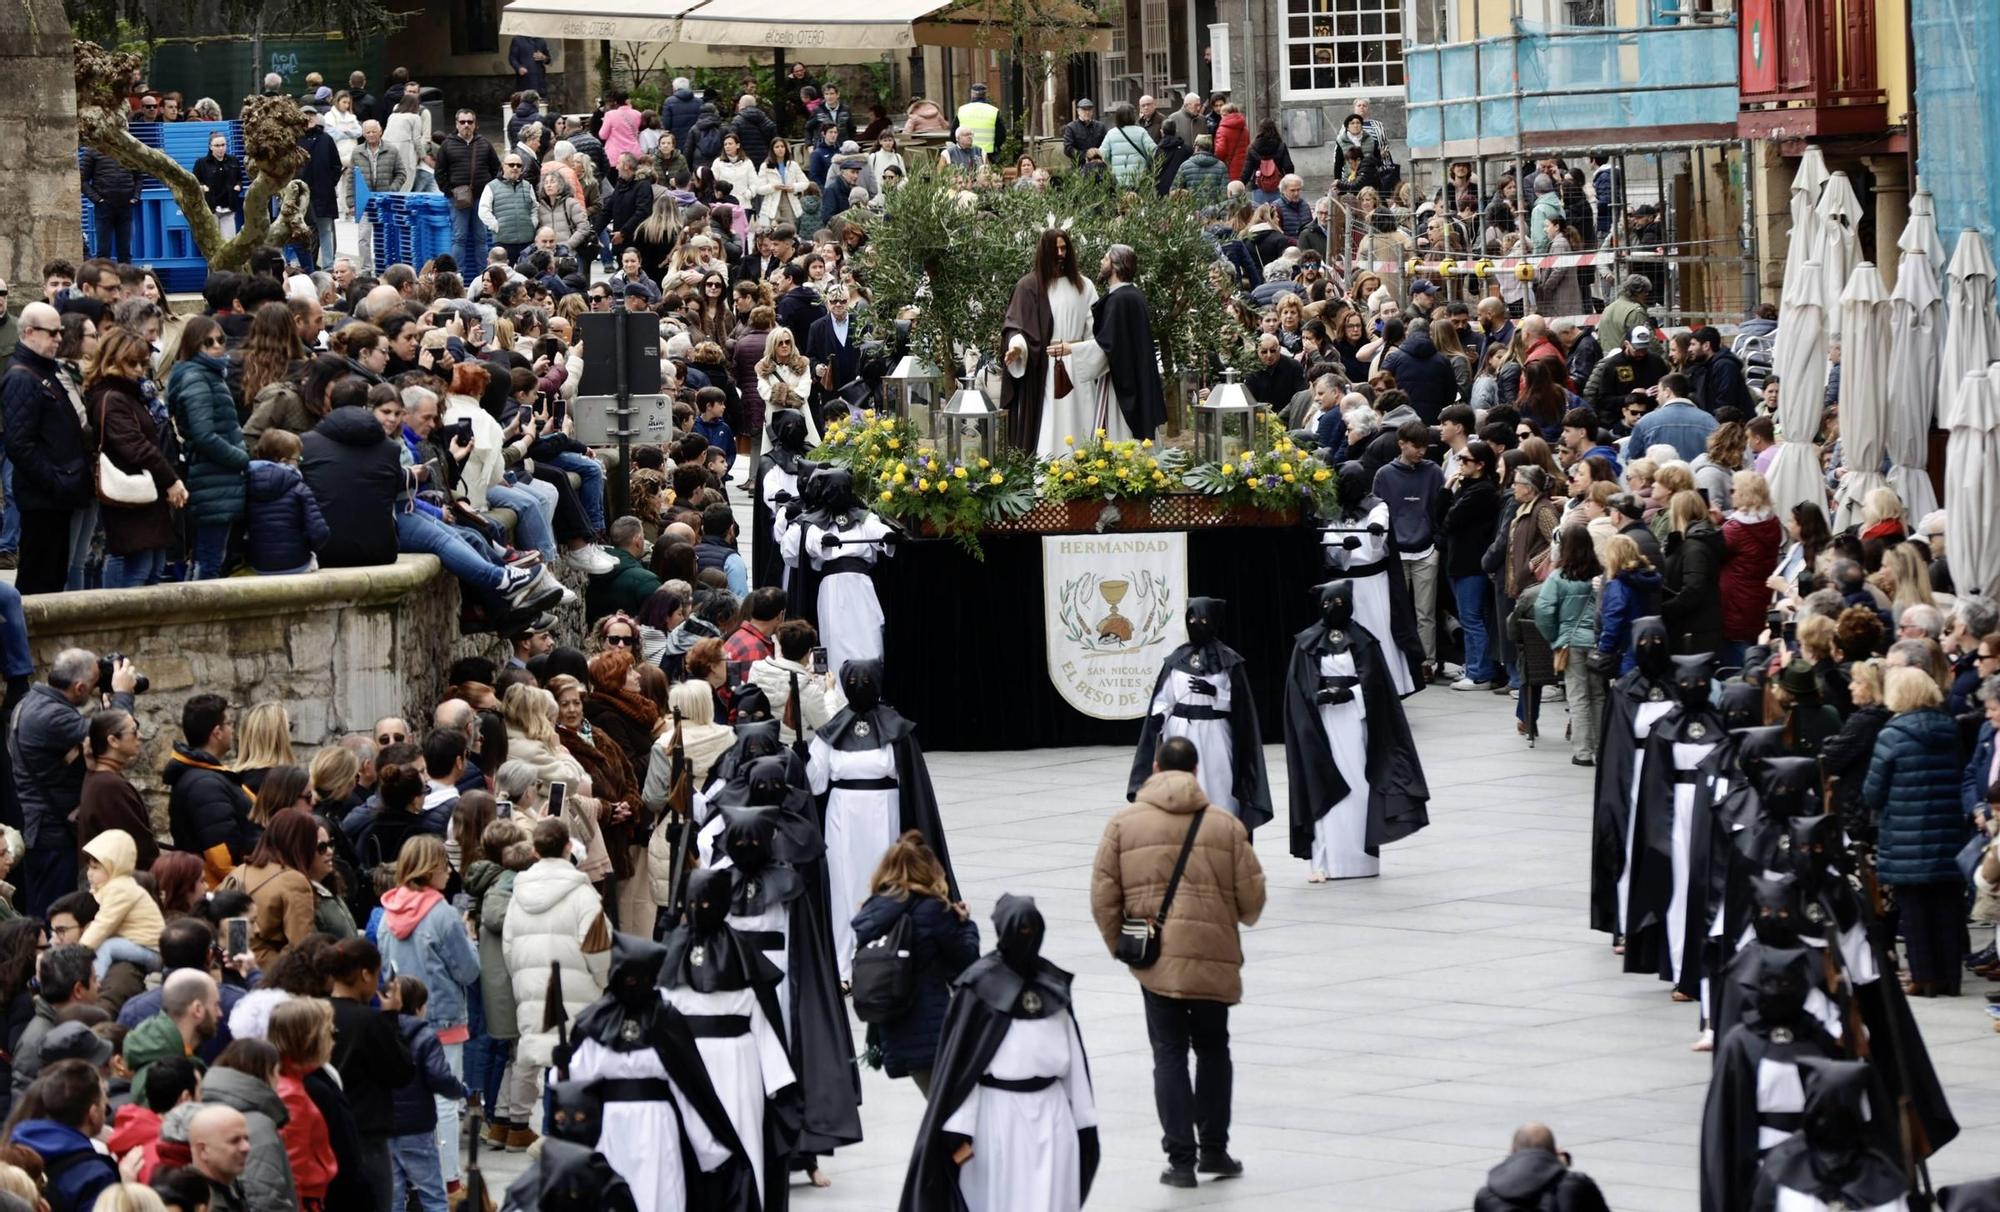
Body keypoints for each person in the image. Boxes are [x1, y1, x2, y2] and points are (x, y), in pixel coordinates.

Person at [900, 894, 1097, 1211]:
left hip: (1053, 1116)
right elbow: (963, 1068)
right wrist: (958, 1128)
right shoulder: (978, 988)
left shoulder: (1053, 986)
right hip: (996, 1120)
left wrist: (1084, 1121)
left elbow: (1075, 1066)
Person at [561, 932, 745, 1212]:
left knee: (658, 1194)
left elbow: (689, 1089)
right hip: (609, 1127)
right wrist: (561, 1065)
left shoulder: (667, 1020)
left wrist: (708, 1146)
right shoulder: (594, 1021)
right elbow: (576, 1081)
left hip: (659, 1128)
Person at [656, 867, 796, 1210]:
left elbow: (762, 1018)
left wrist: (776, 1079)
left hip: (728, 1061)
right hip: (699, 1062)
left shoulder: (737, 950)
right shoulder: (688, 949)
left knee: (744, 1139)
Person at [807, 659, 956, 981]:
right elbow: (815, 782)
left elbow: (911, 784)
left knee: (888, 881)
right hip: (841, 817)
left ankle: (888, 958)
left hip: (884, 813)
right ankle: (845, 967)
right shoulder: (830, 732)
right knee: (844, 887)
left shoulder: (896, 729)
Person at [1282, 581, 1431, 881]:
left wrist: (1352, 695)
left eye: (1339, 602)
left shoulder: (1364, 642)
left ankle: (1361, 860)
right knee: (1323, 785)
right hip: (1322, 726)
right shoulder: (1307, 643)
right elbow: (1297, 690)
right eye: (1328, 603)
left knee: (1360, 787)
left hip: (1355, 724)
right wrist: (1318, 697)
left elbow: (1379, 689)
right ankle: (1323, 862)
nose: (1333, 608)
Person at [375, 835, 480, 1189]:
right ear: (429, 868)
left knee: (405, 1098)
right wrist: (468, 938)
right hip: (443, 1018)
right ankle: (449, 1179)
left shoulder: (387, 912)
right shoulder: (444, 915)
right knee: (446, 1099)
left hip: (400, 1019)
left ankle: (410, 1181)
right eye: (444, 865)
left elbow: (385, 974)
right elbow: (468, 971)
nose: (450, 872)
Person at [1864, 666, 1967, 996]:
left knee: (1915, 911)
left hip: (1907, 836)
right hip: (1948, 830)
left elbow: (1873, 792)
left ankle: (1924, 977)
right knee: (1948, 908)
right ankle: (1951, 977)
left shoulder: (1891, 735)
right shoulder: (1951, 730)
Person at [851, 831, 979, 1095]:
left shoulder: (873, 913)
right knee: (954, 1119)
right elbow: (966, 964)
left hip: (895, 1032)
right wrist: (965, 924)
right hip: (934, 1033)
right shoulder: (932, 910)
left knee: (941, 1113)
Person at [1127, 598, 1272, 832]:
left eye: (1203, 620)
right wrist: (1159, 716)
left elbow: (1241, 705)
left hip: (1214, 733)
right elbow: (1166, 697)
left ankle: (1221, 830)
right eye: (1191, 619)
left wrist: (1214, 692)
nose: (1196, 624)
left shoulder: (1228, 660)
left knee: (1216, 783)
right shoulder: (1177, 659)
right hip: (1180, 732)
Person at [11, 649, 135, 916]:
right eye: (92, 686)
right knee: (55, 913)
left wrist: (104, 711)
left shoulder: (31, 701)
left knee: (48, 909)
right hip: (53, 834)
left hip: (42, 828)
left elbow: (92, 735)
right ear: (78, 687)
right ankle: (46, 958)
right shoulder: (53, 716)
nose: (93, 690)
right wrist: (123, 694)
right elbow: (116, 737)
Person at [501, 817, 612, 1079]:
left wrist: (522, 979)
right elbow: (598, 949)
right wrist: (603, 982)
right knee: (570, 1070)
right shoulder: (583, 895)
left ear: (535, 851)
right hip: (579, 996)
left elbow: (508, 948)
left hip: (531, 990)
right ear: (567, 847)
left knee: (548, 1063)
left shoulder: (519, 895)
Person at [85, 327, 185, 587]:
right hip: (129, 490)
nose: (140, 369)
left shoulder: (128, 394)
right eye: (132, 363)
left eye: (142, 363)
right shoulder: (113, 397)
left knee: (151, 567)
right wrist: (170, 479)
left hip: (143, 489)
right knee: (137, 568)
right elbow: (135, 446)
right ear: (112, 361)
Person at [3, 302, 91, 594]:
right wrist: (56, 481)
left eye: (60, 333)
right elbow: (20, 443)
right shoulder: (21, 377)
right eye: (52, 333)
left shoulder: (43, 370)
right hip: (43, 498)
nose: (58, 339)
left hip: (55, 496)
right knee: (39, 582)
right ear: (30, 332)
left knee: (54, 577)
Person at [1002, 229, 1112, 459]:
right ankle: (1049, 468)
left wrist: (1082, 352)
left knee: (1082, 418)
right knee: (1052, 422)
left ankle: (1086, 469)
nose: (1060, 254)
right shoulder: (1030, 286)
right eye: (1055, 249)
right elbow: (1018, 325)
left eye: (1064, 248)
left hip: (1078, 365)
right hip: (1047, 368)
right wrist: (1017, 346)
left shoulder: (1085, 286)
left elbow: (1096, 333)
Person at [323, 936, 414, 1212]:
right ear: (365, 974)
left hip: (323, 1132)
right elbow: (401, 1072)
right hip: (365, 1134)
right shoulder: (371, 1022)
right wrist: (392, 1019)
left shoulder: (315, 1012)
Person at [166, 317, 249, 580]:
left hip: (215, 475)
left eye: (220, 340)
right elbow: (204, 435)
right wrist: (241, 458)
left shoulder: (209, 374)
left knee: (206, 554)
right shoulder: (197, 378)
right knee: (209, 558)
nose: (216, 346)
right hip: (212, 475)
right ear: (193, 346)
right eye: (208, 342)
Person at [385, 976, 464, 1212]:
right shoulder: (424, 1036)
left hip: (385, 1124)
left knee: (394, 1195)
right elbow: (439, 1077)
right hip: (417, 1125)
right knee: (432, 1194)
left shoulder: (378, 1032)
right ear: (419, 1007)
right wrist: (460, 1090)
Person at [1375, 420, 1445, 677]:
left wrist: (1436, 541)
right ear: (1401, 444)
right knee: (1400, 610)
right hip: (1398, 550)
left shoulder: (1433, 472)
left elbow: (1440, 508)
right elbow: (1379, 512)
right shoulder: (1385, 474)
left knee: (1425, 612)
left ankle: (1426, 662)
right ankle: (1401, 660)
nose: (1422, 452)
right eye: (1416, 446)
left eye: (1424, 447)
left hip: (1426, 548)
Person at [166, 693, 255, 889]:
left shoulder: (205, 776)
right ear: (217, 732)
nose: (233, 730)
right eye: (229, 724)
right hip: (223, 894)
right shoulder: (205, 785)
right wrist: (247, 886)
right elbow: (220, 857)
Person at [8, 1060, 121, 1210]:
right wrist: (124, 1192)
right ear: (93, 1114)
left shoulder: (14, 1147)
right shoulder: (95, 1175)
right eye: (104, 1105)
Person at [1535, 529, 1605, 766]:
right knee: (1598, 695)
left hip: (1571, 641)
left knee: (1577, 697)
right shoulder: (1601, 575)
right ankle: (1602, 748)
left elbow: (1543, 610)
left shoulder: (1559, 577)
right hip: (1597, 642)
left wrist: (1555, 637)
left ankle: (1583, 752)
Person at [1091, 245, 1167, 442]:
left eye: (1106, 259)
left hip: (1122, 383)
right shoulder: (1132, 295)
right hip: (1135, 377)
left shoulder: (1119, 300)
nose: (1101, 262)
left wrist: (1071, 350)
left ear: (1116, 265)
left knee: (1121, 438)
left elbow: (1108, 346)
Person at [79, 829, 163, 982]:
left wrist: (79, 950)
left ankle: (95, 983)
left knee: (107, 947)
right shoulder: (108, 887)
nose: (90, 873)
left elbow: (104, 924)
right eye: (89, 867)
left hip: (152, 951)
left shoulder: (120, 888)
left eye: (96, 868)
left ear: (115, 865)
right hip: (134, 945)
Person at [1472, 1122, 1611, 1212]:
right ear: (1554, 1153)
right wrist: (1560, 1169)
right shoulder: (1576, 1185)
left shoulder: (1486, 1195)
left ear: (1513, 1152)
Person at [1660, 490, 1726, 656]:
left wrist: (1664, 609)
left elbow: (1693, 590)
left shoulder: (1694, 547)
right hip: (1696, 628)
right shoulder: (1693, 543)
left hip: (1693, 631)